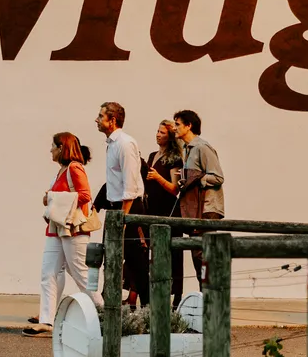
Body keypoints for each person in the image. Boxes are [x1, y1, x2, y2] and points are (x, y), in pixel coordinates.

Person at [33, 131, 93, 334]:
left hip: (71, 228)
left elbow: (85, 195)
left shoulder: (74, 168)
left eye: (53, 146)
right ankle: (47, 321)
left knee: (80, 273)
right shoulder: (62, 170)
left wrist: (52, 198)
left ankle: (104, 313)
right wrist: (50, 198)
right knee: (48, 272)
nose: (50, 150)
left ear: (61, 148)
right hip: (57, 227)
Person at [93, 101, 146, 304]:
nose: (96, 120)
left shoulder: (125, 143)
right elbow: (114, 182)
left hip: (129, 209)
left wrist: (123, 219)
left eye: (100, 116)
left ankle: (149, 307)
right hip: (115, 208)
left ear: (112, 120)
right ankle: (109, 303)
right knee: (110, 257)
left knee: (135, 261)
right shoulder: (112, 144)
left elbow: (130, 183)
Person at [172, 110, 223, 286]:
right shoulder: (187, 149)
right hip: (195, 210)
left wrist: (196, 179)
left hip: (206, 209)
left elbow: (218, 177)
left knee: (204, 255)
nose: (174, 128)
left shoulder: (202, 147)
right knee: (197, 255)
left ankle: (212, 293)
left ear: (188, 126)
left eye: (177, 124)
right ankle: (204, 293)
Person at [140, 120, 187, 300]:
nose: (158, 135)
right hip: (151, 208)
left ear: (170, 137)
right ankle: (155, 290)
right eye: (157, 131)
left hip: (167, 209)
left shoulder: (174, 158)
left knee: (173, 253)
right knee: (151, 251)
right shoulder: (153, 155)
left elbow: (175, 189)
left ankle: (176, 295)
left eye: (162, 133)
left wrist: (158, 177)